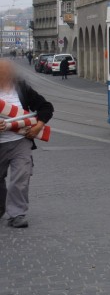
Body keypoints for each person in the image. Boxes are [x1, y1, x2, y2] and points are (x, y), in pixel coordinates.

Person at [0, 59, 53, 229]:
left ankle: (17, 214)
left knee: (20, 178)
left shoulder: (21, 88)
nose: (5, 74)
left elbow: (46, 107)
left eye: (7, 71)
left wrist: (38, 126)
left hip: (20, 142)